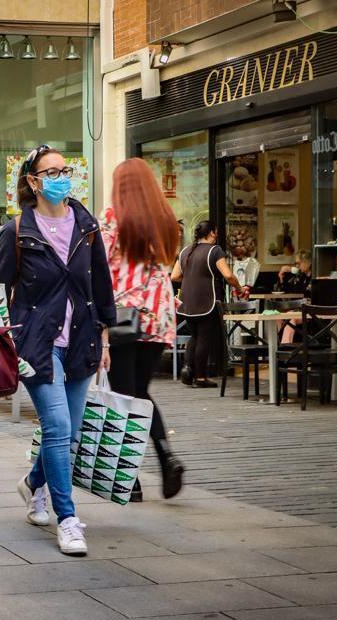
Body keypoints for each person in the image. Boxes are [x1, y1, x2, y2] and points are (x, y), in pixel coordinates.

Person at [0, 144, 115, 556]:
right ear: (33, 182)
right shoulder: (16, 232)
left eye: (65, 169)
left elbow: (100, 286)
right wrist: (5, 342)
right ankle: (68, 519)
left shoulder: (86, 225)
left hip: (81, 340)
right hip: (37, 345)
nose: (61, 177)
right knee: (58, 427)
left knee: (70, 433)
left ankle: (32, 484)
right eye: (51, 171)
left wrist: (105, 338)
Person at [102, 158, 185, 500]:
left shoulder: (113, 218)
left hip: (125, 315)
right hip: (160, 315)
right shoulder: (165, 220)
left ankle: (132, 477)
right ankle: (164, 456)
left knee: (126, 397)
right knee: (139, 390)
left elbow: (99, 265)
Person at [171, 220, 245, 387]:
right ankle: (200, 377)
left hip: (187, 301)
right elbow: (228, 275)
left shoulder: (185, 251)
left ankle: (187, 371)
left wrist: (191, 278)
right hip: (207, 300)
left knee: (194, 336)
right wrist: (239, 287)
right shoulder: (215, 250)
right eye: (216, 231)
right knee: (204, 337)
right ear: (212, 233)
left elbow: (174, 276)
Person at [275, 250, 311, 344]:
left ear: (307, 262)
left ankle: (285, 347)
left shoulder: (313, 277)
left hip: (311, 311)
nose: (297, 266)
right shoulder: (301, 276)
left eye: (298, 263)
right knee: (278, 317)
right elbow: (289, 290)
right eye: (296, 264)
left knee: (292, 317)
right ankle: (278, 345)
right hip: (299, 309)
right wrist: (282, 277)